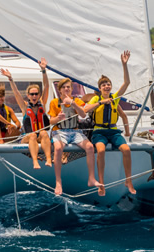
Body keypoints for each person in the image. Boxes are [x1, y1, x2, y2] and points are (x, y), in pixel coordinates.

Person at [83, 51, 136, 196]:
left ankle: (128, 180)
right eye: (104, 85)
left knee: (126, 150)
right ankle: (101, 183)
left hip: (113, 131)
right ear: (100, 88)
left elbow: (127, 83)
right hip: (99, 132)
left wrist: (124, 65)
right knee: (100, 150)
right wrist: (100, 102)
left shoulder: (115, 98)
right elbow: (85, 109)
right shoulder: (96, 99)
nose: (106, 86)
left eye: (108, 84)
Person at [48, 78, 102, 195]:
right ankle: (58, 181)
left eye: (68, 87)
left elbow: (83, 114)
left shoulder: (76, 100)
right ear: (60, 90)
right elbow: (51, 121)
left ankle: (91, 179)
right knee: (57, 149)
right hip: (60, 131)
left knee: (90, 148)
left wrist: (73, 104)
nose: (66, 89)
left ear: (72, 89)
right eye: (64, 87)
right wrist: (58, 118)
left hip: (75, 131)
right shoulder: (54, 102)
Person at [1, 58, 52, 169]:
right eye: (32, 94)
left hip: (40, 137)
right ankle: (35, 161)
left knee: (43, 133)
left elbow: (47, 86)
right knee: (33, 135)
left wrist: (44, 71)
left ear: (38, 95)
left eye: (36, 94)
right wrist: (10, 79)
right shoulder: (25, 107)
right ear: (28, 95)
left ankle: (48, 159)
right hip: (26, 138)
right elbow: (16, 93)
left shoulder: (42, 104)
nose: (34, 96)